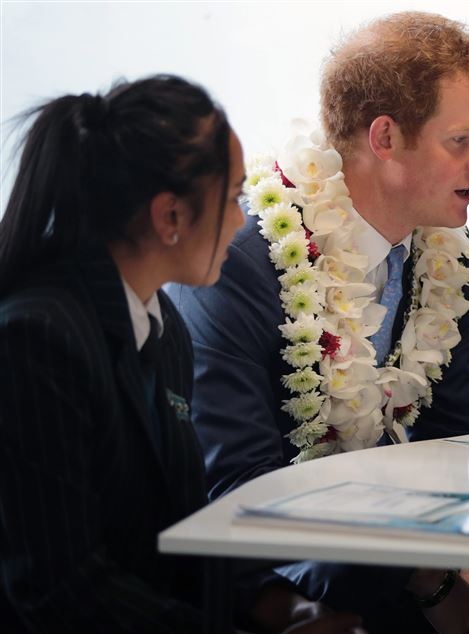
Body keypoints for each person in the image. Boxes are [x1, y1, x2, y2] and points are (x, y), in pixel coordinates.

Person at [168, 12, 469, 634]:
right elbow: (241, 486)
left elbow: (459, 431)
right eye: (461, 140)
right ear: (385, 138)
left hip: (408, 523)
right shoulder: (241, 260)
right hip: (293, 551)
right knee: (371, 575)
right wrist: (432, 576)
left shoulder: (443, 251)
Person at [0, 77, 363, 633]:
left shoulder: (162, 325)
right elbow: (59, 586)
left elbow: (182, 526)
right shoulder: (36, 341)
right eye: (234, 197)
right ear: (170, 216)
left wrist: (285, 608)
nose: (242, 220)